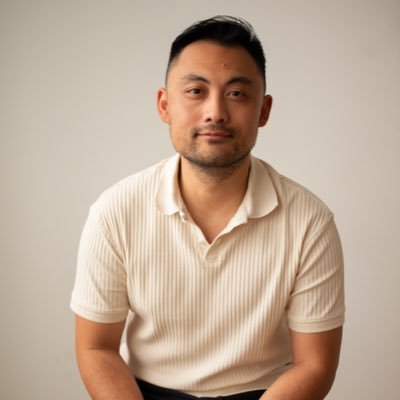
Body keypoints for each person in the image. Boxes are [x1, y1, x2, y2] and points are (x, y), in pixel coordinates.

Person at [71, 15, 345, 400]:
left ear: (263, 111)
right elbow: (96, 348)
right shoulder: (115, 211)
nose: (215, 112)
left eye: (237, 94)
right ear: (164, 105)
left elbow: (314, 365)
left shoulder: (310, 221)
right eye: (196, 91)